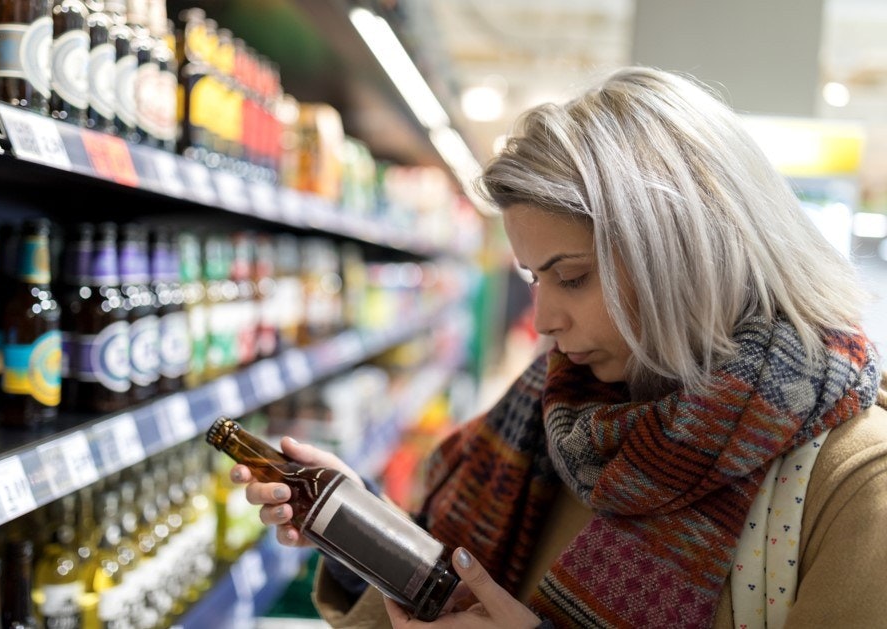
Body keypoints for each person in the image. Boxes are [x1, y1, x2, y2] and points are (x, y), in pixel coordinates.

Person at [231, 65, 887, 628]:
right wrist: (370, 531)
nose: (543, 318)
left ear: (687, 257)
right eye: (533, 277)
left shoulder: (856, 485)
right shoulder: (555, 415)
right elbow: (451, 594)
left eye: (571, 276)